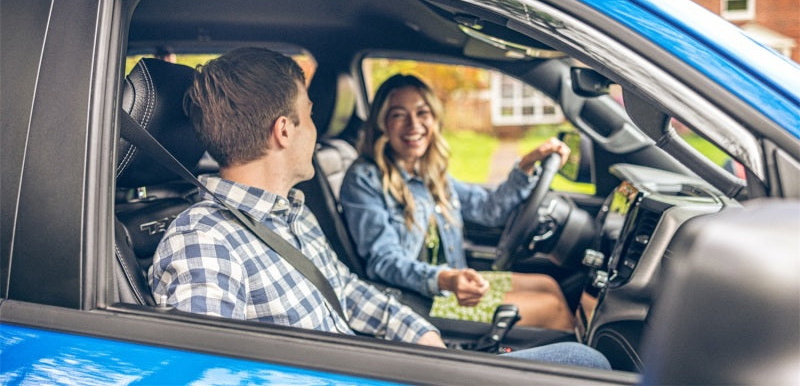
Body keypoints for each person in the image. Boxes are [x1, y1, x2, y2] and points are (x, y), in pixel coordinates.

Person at [149, 48, 609, 369]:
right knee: (584, 362)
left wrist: (421, 339)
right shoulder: (203, 242)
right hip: (409, 327)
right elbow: (206, 373)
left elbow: (347, 290)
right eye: (311, 116)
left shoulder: (291, 213)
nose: (319, 129)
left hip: (393, 355)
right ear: (285, 131)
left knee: (582, 358)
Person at [340, 74, 576, 330]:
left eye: (423, 113)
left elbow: (488, 209)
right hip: (420, 300)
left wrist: (526, 165)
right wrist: (446, 279)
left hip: (450, 283)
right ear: (382, 123)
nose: (414, 124)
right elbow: (383, 261)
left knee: (548, 285)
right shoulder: (364, 179)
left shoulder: (428, 170)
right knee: (551, 309)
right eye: (398, 115)